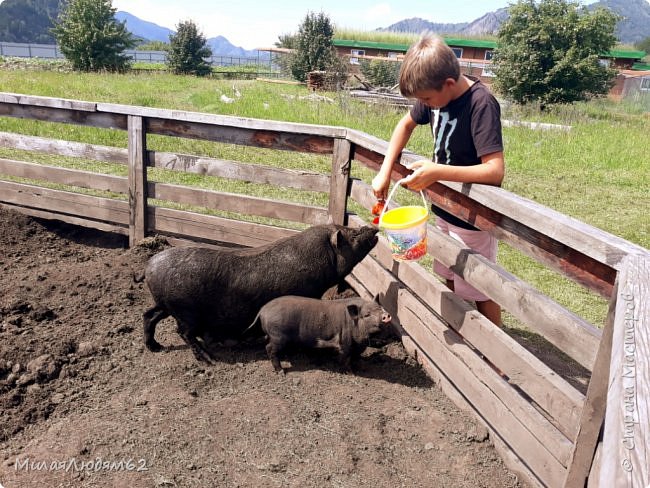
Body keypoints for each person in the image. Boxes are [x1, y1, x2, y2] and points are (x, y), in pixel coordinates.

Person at [371, 33, 505, 326]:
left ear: (448, 83)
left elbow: (494, 171)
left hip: (471, 216)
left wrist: (437, 171)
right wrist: (384, 170)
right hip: (443, 207)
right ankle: (455, 327)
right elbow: (404, 125)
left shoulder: (480, 104)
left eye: (427, 99)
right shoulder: (434, 95)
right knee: (447, 270)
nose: (425, 105)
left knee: (480, 286)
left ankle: (498, 360)